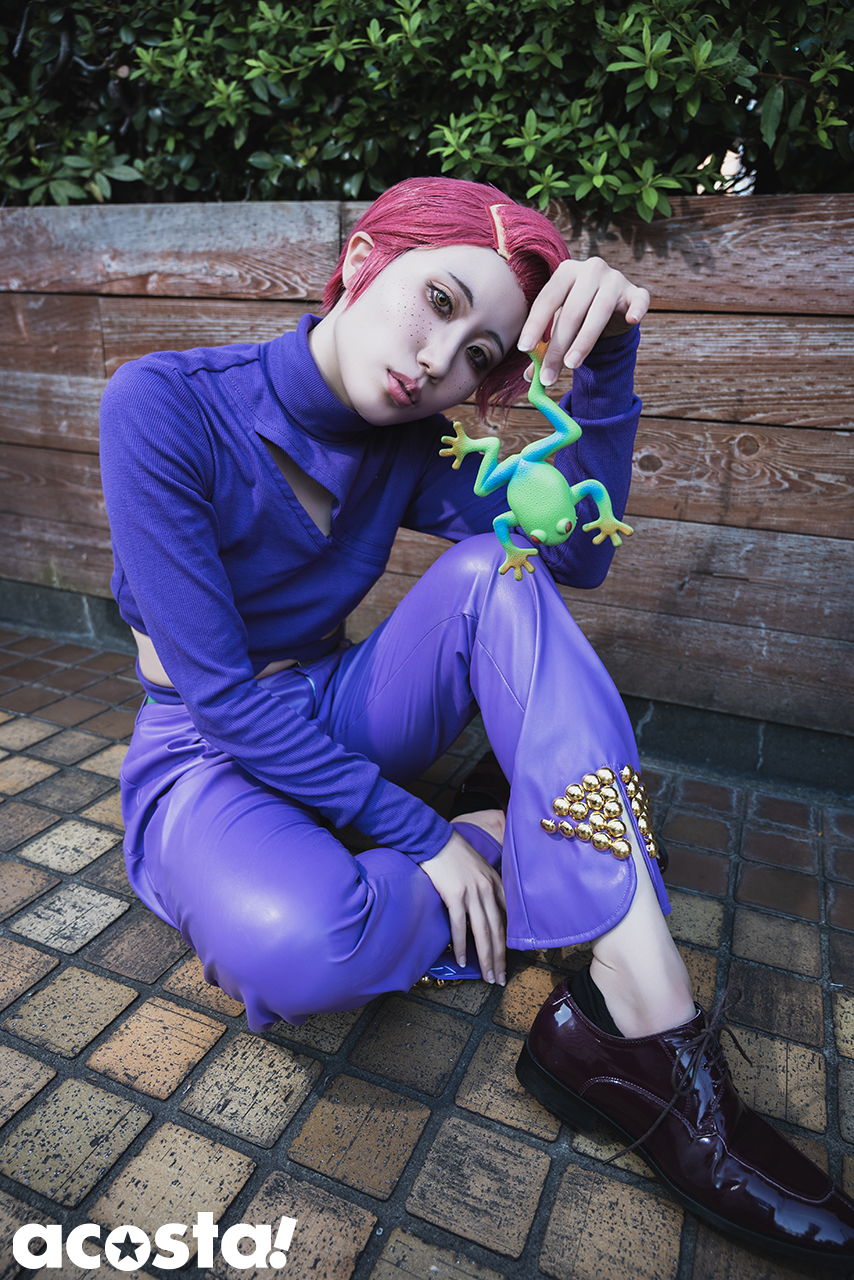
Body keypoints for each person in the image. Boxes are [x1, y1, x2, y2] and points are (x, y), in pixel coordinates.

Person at [99, 176, 854, 1267]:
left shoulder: (413, 442)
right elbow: (220, 698)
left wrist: (606, 369)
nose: (438, 361)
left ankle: (645, 1021)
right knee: (297, 952)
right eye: (439, 301)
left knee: (499, 573)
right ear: (363, 259)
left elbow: (573, 554)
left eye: (480, 353)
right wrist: (430, 835)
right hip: (205, 748)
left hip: (336, 707)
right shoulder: (163, 403)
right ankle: (509, 844)